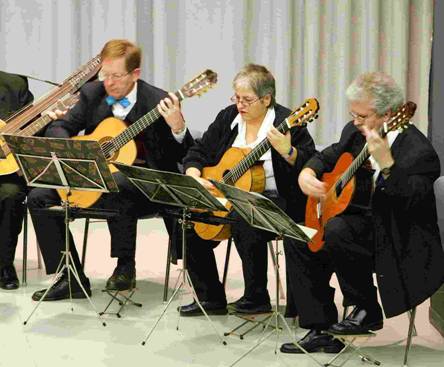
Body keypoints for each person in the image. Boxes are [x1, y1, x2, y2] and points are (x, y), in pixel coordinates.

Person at [281, 71, 444, 354]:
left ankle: (366, 308)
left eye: (362, 116)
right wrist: (308, 171)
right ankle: (320, 328)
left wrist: (388, 166)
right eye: (353, 114)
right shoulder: (354, 131)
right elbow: (328, 155)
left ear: (389, 113)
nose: (355, 122)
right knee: (298, 238)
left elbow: (412, 202)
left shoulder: (419, 151)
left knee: (337, 230)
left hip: (397, 237)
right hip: (357, 226)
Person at [28, 39, 194, 301]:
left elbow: (181, 155)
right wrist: (74, 146)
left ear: (135, 74)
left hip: (145, 184)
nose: (110, 83)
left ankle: (125, 265)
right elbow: (60, 128)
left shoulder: (158, 101)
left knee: (119, 182)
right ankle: (69, 277)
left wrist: (177, 127)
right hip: (95, 178)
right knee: (38, 196)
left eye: (117, 76)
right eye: (106, 75)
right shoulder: (93, 93)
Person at [179, 64, 316, 316]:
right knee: (187, 217)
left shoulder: (288, 122)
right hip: (228, 196)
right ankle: (209, 297)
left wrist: (287, 151)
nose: (240, 105)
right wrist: (194, 174)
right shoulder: (228, 117)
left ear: (266, 99)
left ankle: (256, 297)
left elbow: (310, 163)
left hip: (280, 199)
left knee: (246, 216)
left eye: (247, 100)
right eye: (237, 98)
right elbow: (199, 151)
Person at [0, 71, 34, 290]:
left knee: (12, 195)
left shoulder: (15, 85)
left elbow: (34, 131)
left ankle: (3, 264)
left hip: (7, 172)